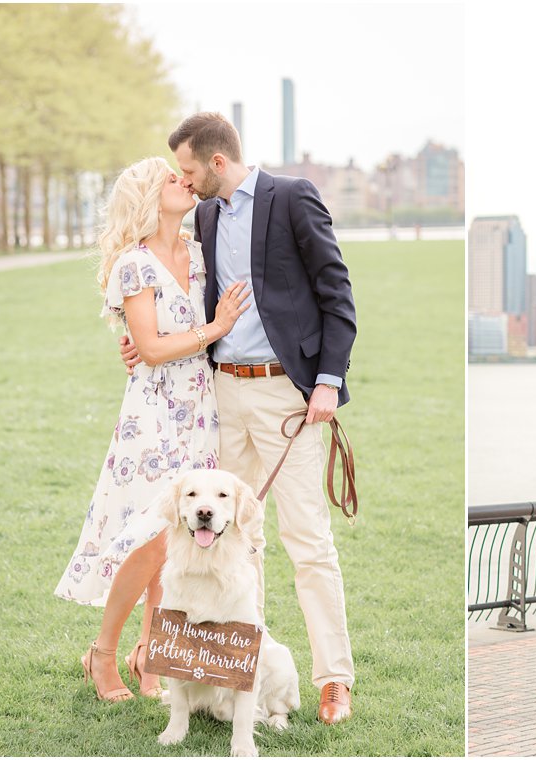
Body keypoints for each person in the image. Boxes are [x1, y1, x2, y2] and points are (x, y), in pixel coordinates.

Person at [121, 112, 360, 723]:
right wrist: (141, 343)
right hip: (222, 394)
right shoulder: (203, 216)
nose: (186, 179)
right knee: (229, 540)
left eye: (190, 169)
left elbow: (336, 291)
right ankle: (228, 670)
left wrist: (328, 380)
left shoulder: (291, 197)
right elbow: (187, 296)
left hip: (289, 398)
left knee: (307, 541)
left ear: (217, 163)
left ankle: (335, 679)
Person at [55, 156, 251, 702]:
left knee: (176, 540)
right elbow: (151, 348)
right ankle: (102, 651)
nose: (185, 182)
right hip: (154, 414)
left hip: (201, 410)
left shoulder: (198, 253)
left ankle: (152, 655)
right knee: (148, 538)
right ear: (147, 196)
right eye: (172, 178)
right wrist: (216, 329)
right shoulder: (134, 265)